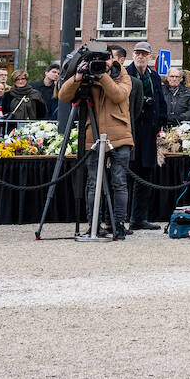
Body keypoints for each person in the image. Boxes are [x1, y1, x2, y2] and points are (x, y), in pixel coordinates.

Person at [56, 48, 134, 239]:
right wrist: (77, 77)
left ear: (113, 61)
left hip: (119, 135)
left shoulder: (122, 75)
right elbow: (63, 96)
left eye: (106, 59)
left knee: (119, 182)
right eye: (99, 60)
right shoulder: (87, 76)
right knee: (92, 183)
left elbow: (118, 95)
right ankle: (93, 226)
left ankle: (118, 225)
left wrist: (102, 75)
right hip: (93, 135)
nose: (102, 63)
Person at [125, 41, 169, 231]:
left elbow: (160, 101)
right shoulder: (125, 74)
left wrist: (161, 123)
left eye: (144, 54)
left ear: (150, 57)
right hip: (131, 131)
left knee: (145, 177)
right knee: (126, 176)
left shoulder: (154, 76)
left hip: (149, 132)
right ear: (133, 55)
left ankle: (139, 218)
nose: (140, 57)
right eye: (137, 53)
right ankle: (119, 219)